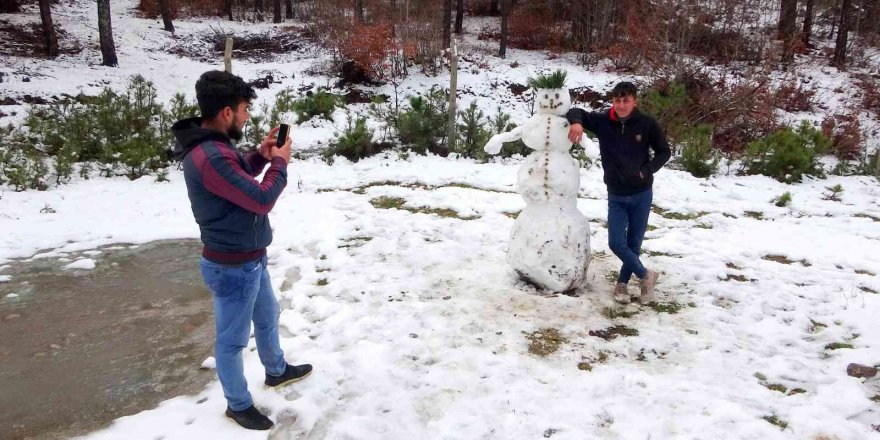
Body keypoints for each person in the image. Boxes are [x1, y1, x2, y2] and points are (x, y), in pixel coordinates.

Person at [172, 70, 312, 431]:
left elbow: (233, 178)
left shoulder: (215, 147)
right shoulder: (211, 155)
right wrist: (280, 162)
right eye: (245, 109)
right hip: (232, 266)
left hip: (249, 257)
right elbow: (261, 199)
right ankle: (238, 405)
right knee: (232, 342)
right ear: (226, 112)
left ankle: (276, 370)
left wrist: (261, 157)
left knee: (267, 316)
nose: (247, 116)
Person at [566, 81, 671, 304]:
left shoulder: (647, 123)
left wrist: (647, 170)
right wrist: (576, 123)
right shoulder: (603, 121)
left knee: (634, 243)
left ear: (635, 101)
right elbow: (576, 111)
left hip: (642, 193)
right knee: (615, 242)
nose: (621, 105)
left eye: (626, 101)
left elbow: (664, 152)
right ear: (612, 101)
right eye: (617, 100)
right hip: (616, 194)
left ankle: (622, 284)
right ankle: (646, 275)